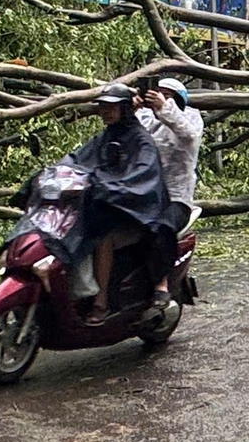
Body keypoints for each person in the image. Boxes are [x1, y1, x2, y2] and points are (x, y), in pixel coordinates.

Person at [68, 83, 178, 318]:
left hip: (140, 215)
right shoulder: (104, 137)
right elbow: (77, 159)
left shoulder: (142, 141)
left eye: (112, 107)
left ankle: (101, 301)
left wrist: (107, 188)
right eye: (102, 107)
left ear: (126, 108)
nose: (106, 111)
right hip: (109, 208)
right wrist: (52, 175)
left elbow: (141, 178)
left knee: (103, 238)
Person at [136, 78, 203, 298]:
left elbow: (189, 135)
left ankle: (161, 284)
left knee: (160, 227)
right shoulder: (146, 118)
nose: (161, 97)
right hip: (143, 194)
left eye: (168, 94)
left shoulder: (191, 117)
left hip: (177, 198)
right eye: (158, 93)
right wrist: (131, 109)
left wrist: (164, 106)